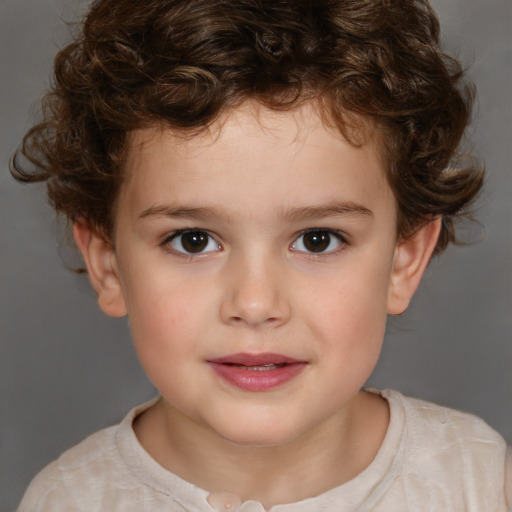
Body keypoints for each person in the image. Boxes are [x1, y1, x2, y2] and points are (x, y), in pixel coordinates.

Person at [10, 0, 510, 510]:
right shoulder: (68, 500)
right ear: (108, 264)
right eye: (193, 240)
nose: (254, 304)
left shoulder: (480, 482)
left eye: (318, 239)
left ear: (403, 260)